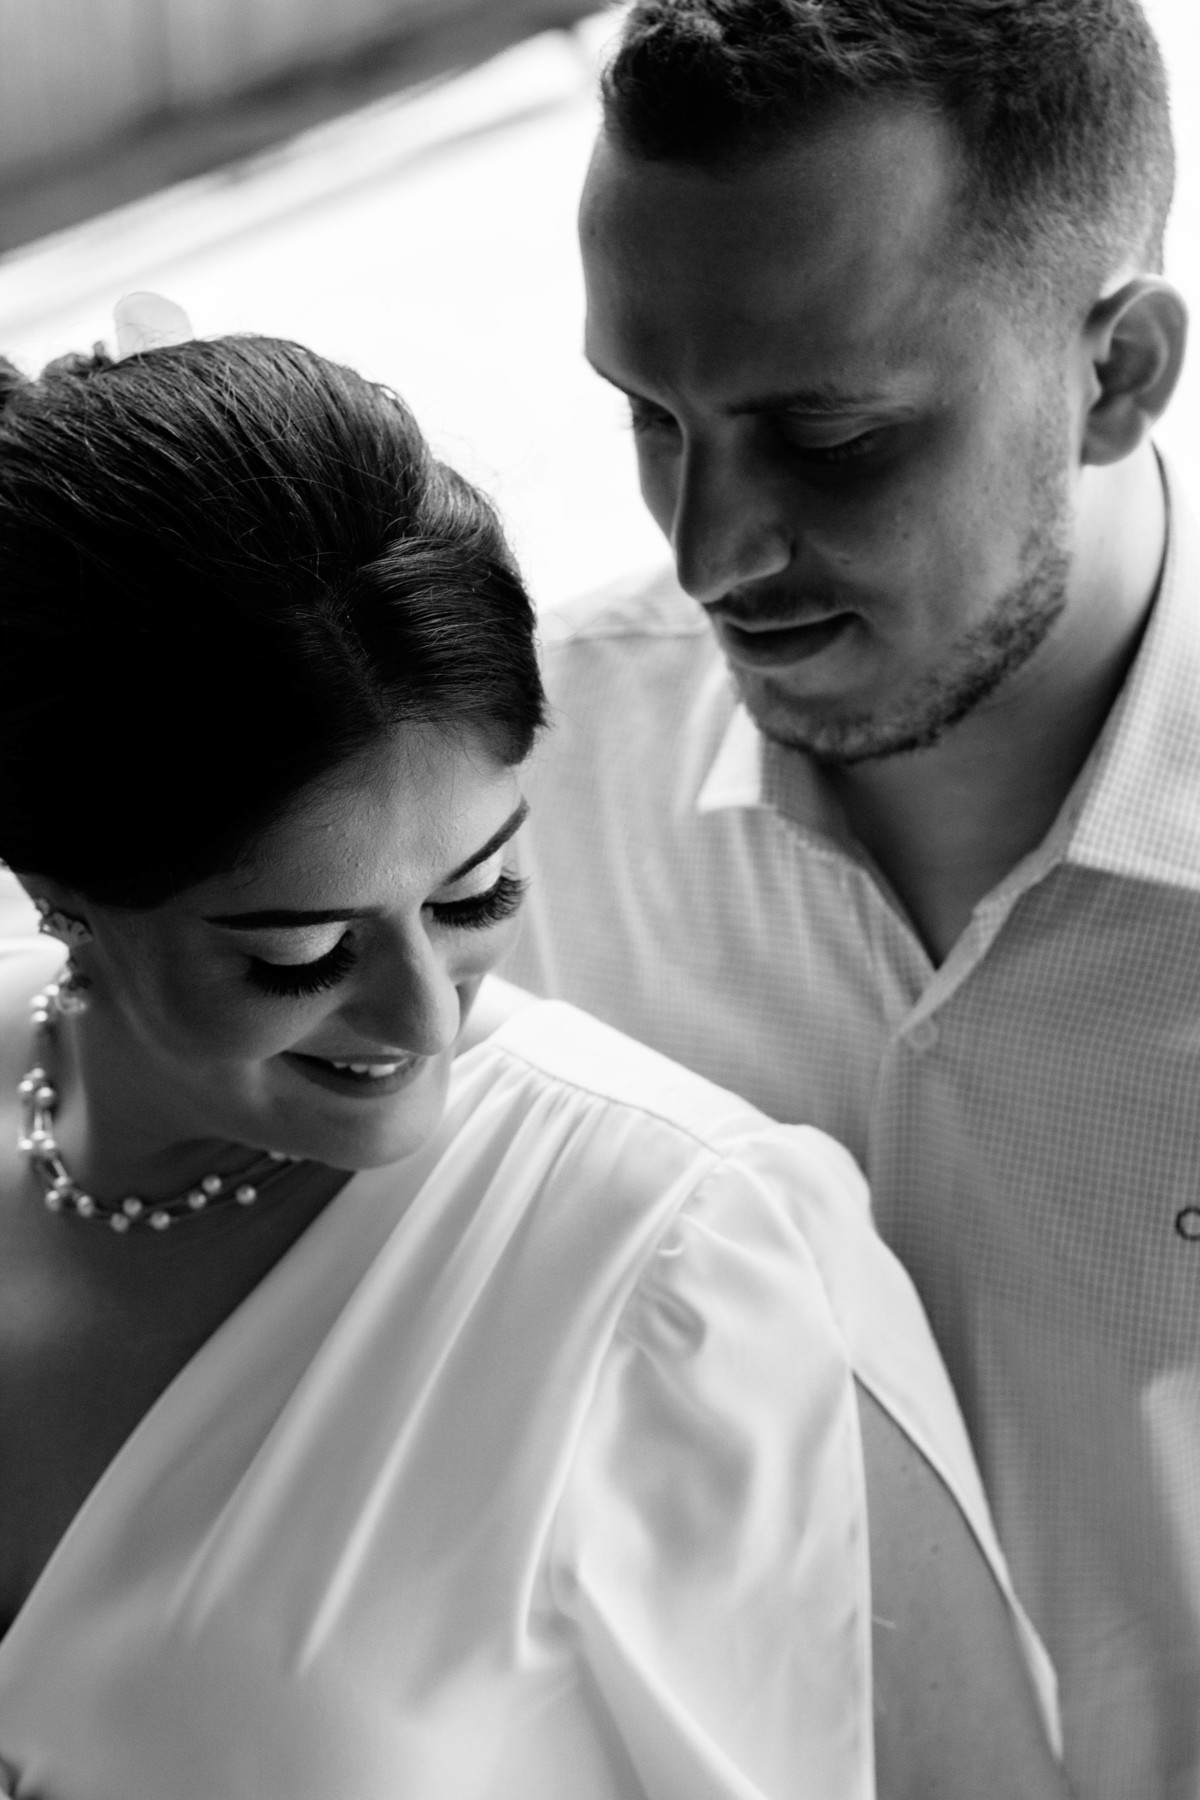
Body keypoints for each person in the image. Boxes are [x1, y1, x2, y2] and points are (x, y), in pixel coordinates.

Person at [0, 330, 1065, 1799]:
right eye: (301, 955)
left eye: (478, 893)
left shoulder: (682, 1256)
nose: (425, 1020)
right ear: (60, 889)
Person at [500, 2, 1198, 1795]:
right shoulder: (507, 818)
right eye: (651, 417)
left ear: (1119, 373)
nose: (708, 551)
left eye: (831, 437)